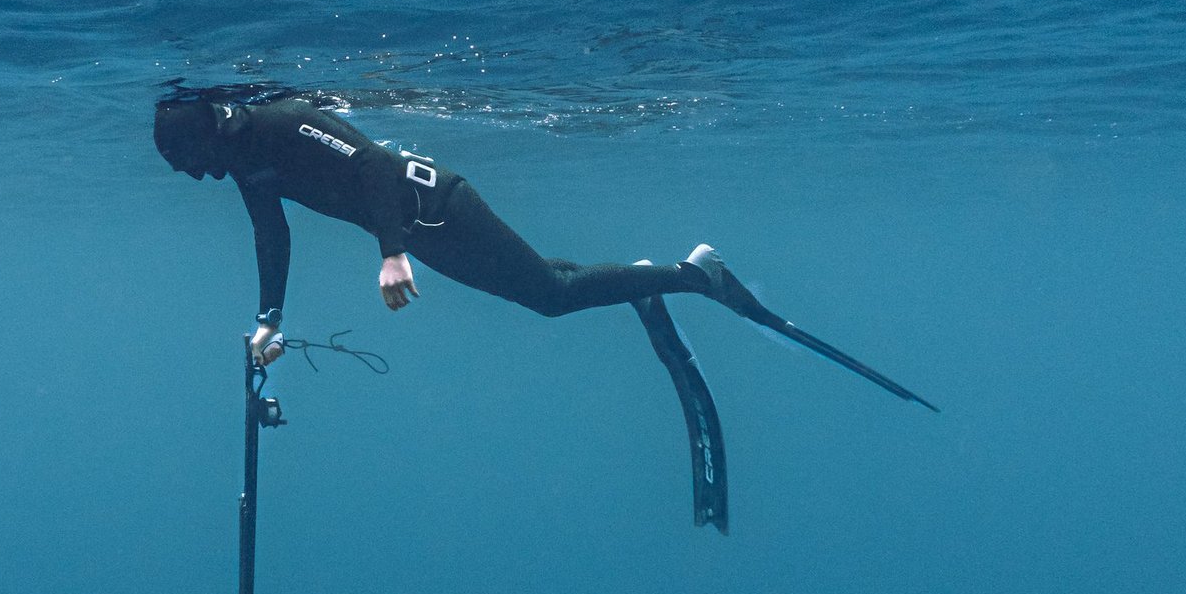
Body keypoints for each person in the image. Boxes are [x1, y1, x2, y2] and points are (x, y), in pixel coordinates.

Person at [153, 81, 782, 370]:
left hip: (439, 204)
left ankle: (694, 275)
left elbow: (373, 164)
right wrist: (270, 318)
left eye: (190, 163)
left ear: (204, 137)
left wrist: (391, 253)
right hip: (421, 230)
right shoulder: (246, 160)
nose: (197, 176)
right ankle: (642, 281)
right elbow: (271, 236)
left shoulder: (280, 122)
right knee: (543, 283)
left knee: (551, 295)